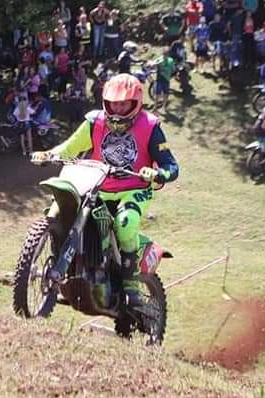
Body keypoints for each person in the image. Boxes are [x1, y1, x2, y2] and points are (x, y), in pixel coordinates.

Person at [32, 74, 179, 306]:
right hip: (97, 185)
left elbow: (171, 166)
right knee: (65, 210)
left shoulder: (150, 126)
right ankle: (62, 272)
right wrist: (49, 154)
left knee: (125, 222)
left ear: (136, 102)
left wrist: (158, 173)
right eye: (114, 104)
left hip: (134, 189)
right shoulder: (95, 121)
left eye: (124, 104)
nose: (118, 109)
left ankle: (130, 285)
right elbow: (70, 148)